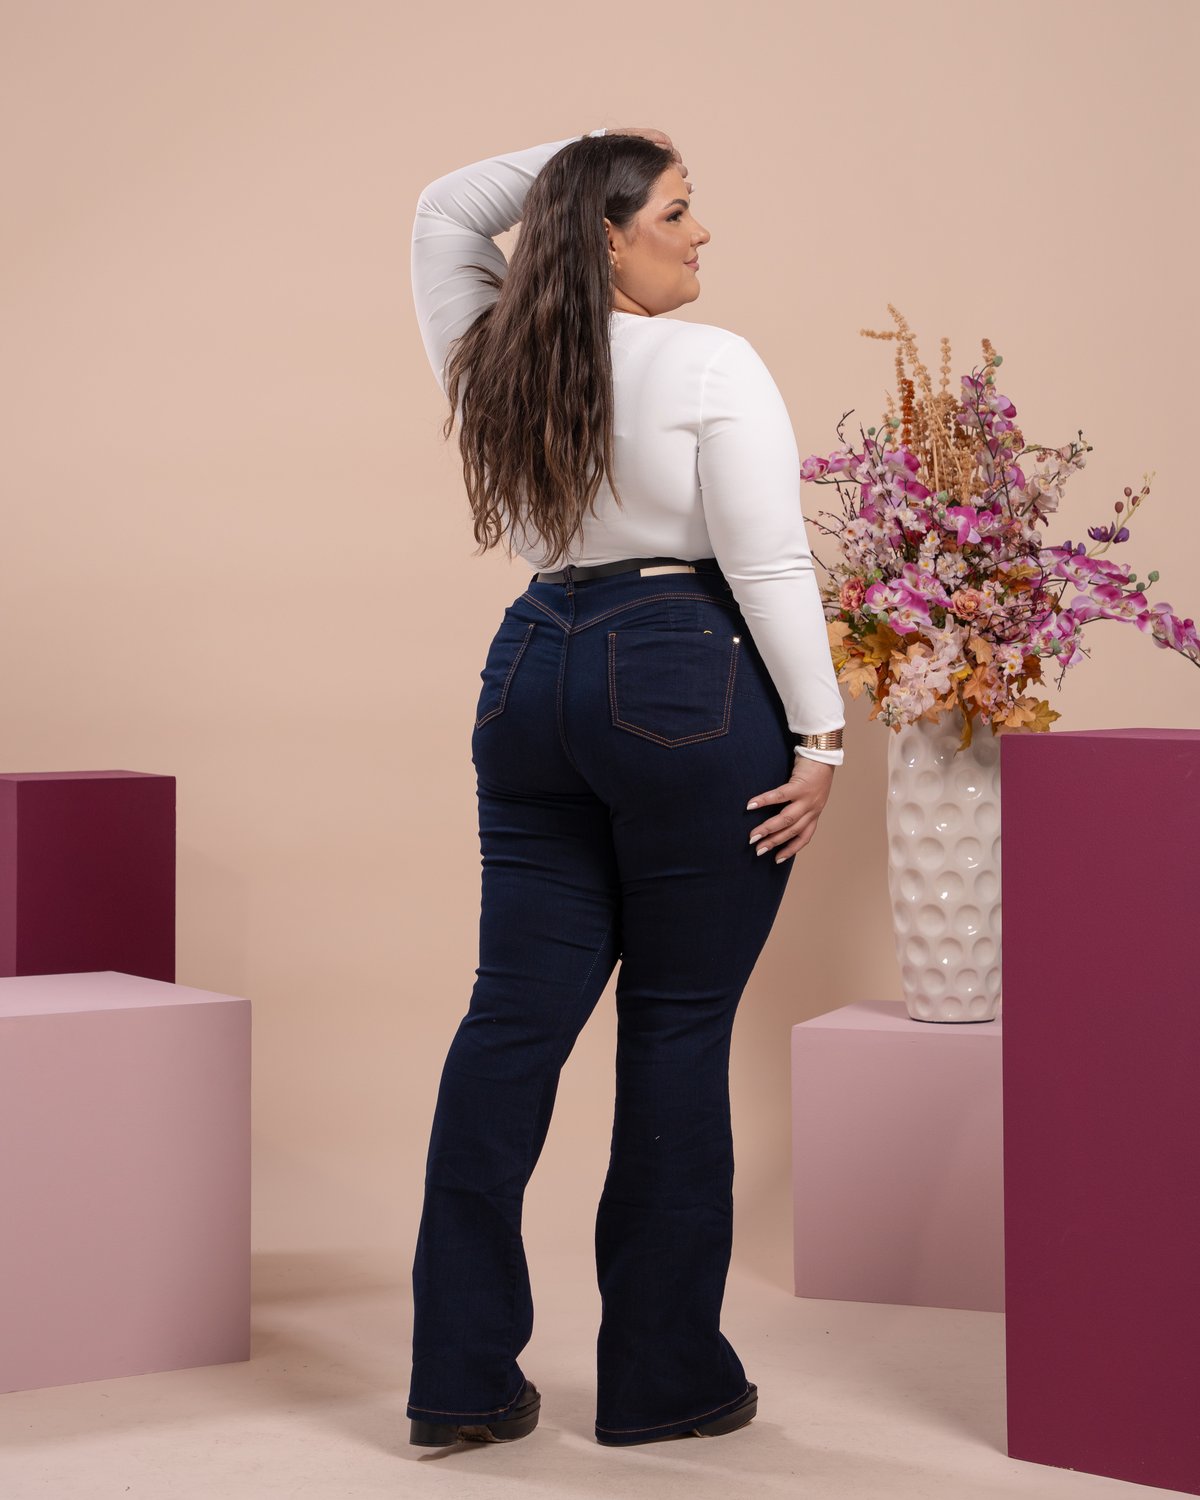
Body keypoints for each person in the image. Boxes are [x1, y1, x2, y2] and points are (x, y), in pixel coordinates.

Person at [405, 124, 845, 1450]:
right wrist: (821, 737)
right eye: (674, 207)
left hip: (530, 673)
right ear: (608, 235)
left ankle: (462, 1380)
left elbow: (443, 210)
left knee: (509, 1024)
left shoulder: (495, 355)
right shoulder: (712, 360)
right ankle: (664, 1380)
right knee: (676, 1029)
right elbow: (768, 564)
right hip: (679, 674)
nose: (701, 233)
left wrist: (587, 150)